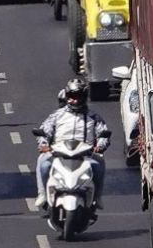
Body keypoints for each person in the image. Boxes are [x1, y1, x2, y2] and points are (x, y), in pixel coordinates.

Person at [33, 77, 109, 211]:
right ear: (67, 97)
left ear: (84, 97)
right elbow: (44, 131)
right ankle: (43, 194)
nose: (75, 100)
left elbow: (103, 133)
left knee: (99, 165)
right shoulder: (57, 116)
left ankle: (97, 197)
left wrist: (101, 146)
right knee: (43, 163)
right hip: (59, 153)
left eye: (79, 96)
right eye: (72, 96)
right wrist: (44, 144)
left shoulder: (94, 117)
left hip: (86, 154)